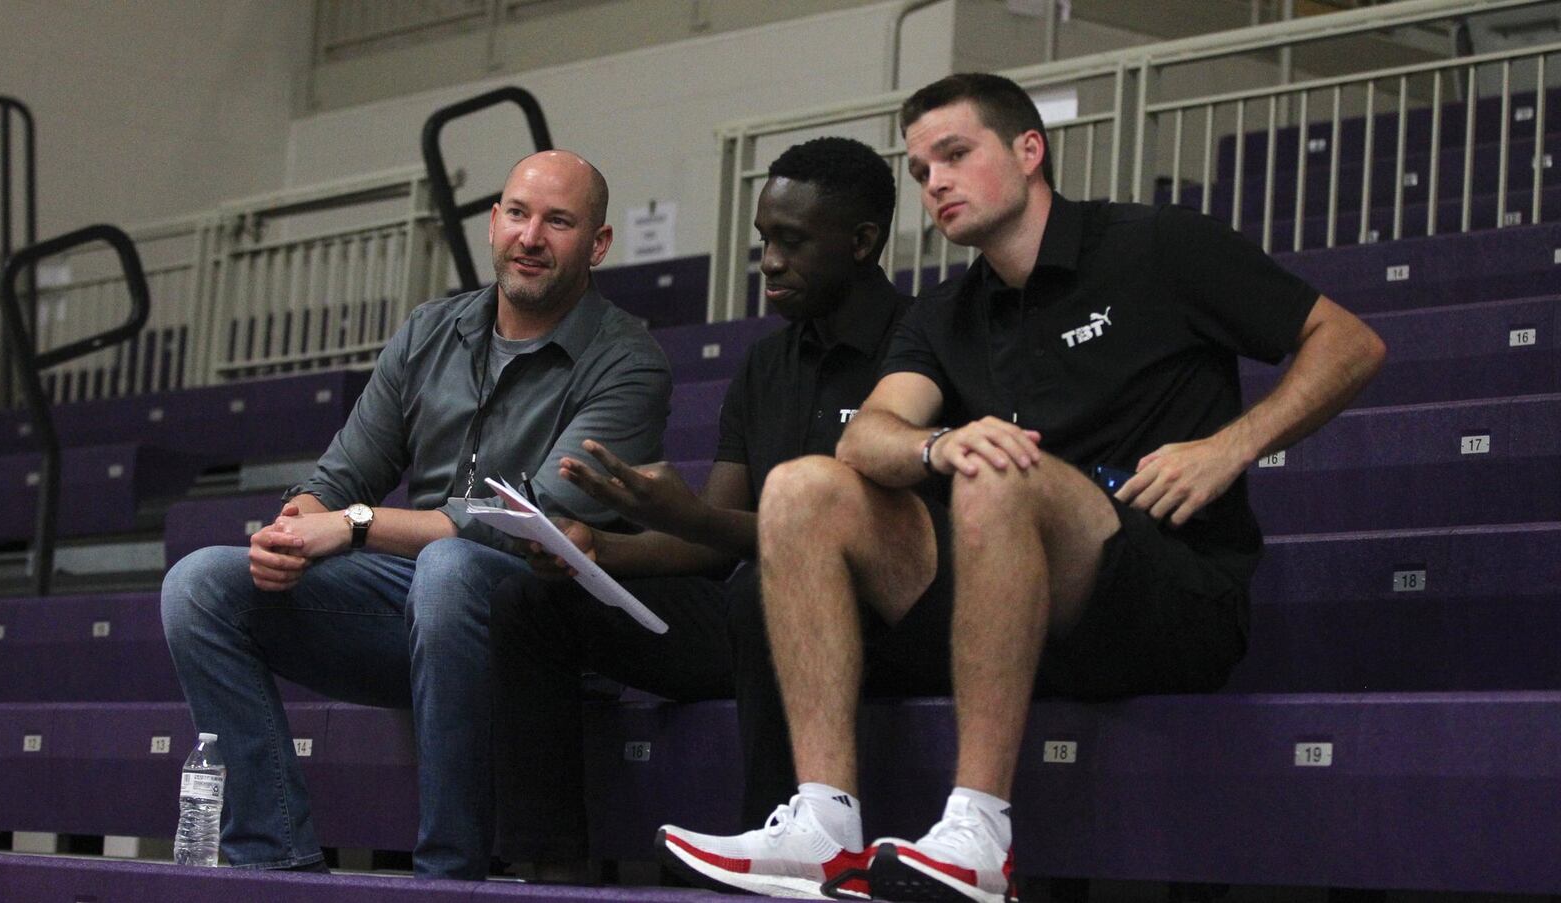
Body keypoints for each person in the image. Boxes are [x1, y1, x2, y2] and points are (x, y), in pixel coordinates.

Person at [658, 73, 1386, 903]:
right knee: (800, 487)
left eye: (955, 155)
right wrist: (939, 443)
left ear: (1029, 151)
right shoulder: (944, 312)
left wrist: (1229, 447)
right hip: (1009, 604)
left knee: (997, 475)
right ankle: (825, 823)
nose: (935, 182)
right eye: (922, 168)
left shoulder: (1157, 245)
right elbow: (870, 435)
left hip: (1170, 591)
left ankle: (979, 832)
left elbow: (1349, 342)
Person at [160, 150, 672, 880]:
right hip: (415, 616)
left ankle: (447, 873)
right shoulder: (432, 330)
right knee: (199, 586)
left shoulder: (628, 358)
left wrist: (357, 523)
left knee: (450, 566)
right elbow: (338, 478)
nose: (531, 237)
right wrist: (292, 529)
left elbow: (532, 523)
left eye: (559, 222)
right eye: (519, 214)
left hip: (541, 630)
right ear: (493, 223)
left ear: (597, 244)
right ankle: (273, 858)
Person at [484, 137, 909, 884]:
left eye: (792, 241)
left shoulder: (914, 346)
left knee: (759, 589)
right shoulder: (767, 363)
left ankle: (787, 854)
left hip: (874, 616)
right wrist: (593, 548)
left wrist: (686, 515)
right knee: (533, 598)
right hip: (750, 611)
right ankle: (549, 864)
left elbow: (839, 543)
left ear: (864, 241)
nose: (769, 260)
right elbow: (716, 538)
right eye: (763, 240)